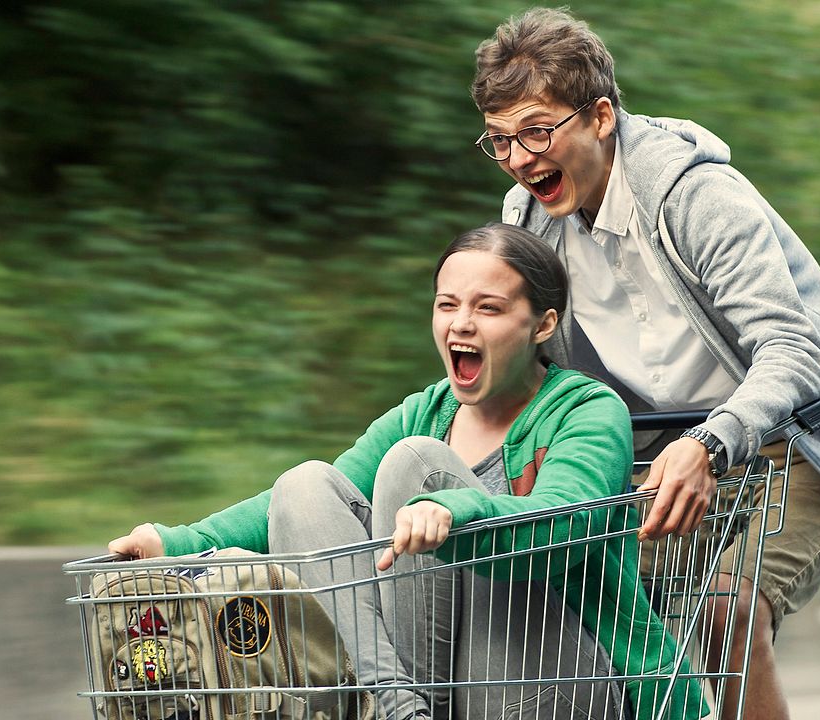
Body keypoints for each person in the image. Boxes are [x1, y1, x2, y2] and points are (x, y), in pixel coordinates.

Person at [470, 8, 820, 720]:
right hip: (664, 451)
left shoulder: (695, 195)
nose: (520, 158)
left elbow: (792, 352)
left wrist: (706, 443)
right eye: (499, 141)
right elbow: (532, 364)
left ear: (601, 117)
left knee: (725, 613)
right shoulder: (530, 220)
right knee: (569, 587)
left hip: (805, 439)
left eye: (537, 130)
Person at [109, 223, 707, 720]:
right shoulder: (425, 411)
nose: (460, 324)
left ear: (543, 324)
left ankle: (397, 705)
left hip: (562, 679)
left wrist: (454, 510)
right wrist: (176, 542)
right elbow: (303, 512)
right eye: (447, 305)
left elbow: (560, 532)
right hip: (438, 686)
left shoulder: (584, 409)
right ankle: (399, 705)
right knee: (304, 484)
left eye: (488, 308)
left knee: (416, 466)